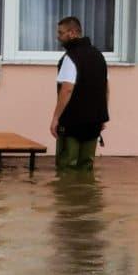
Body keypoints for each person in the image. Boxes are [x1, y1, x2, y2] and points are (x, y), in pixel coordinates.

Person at [49, 15, 109, 170]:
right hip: (94, 122)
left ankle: (68, 193)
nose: (58, 37)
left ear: (72, 33)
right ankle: (87, 194)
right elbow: (106, 87)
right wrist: (102, 115)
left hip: (72, 123)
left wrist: (55, 118)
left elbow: (67, 89)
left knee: (67, 165)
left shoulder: (71, 57)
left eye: (61, 33)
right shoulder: (99, 56)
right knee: (86, 165)